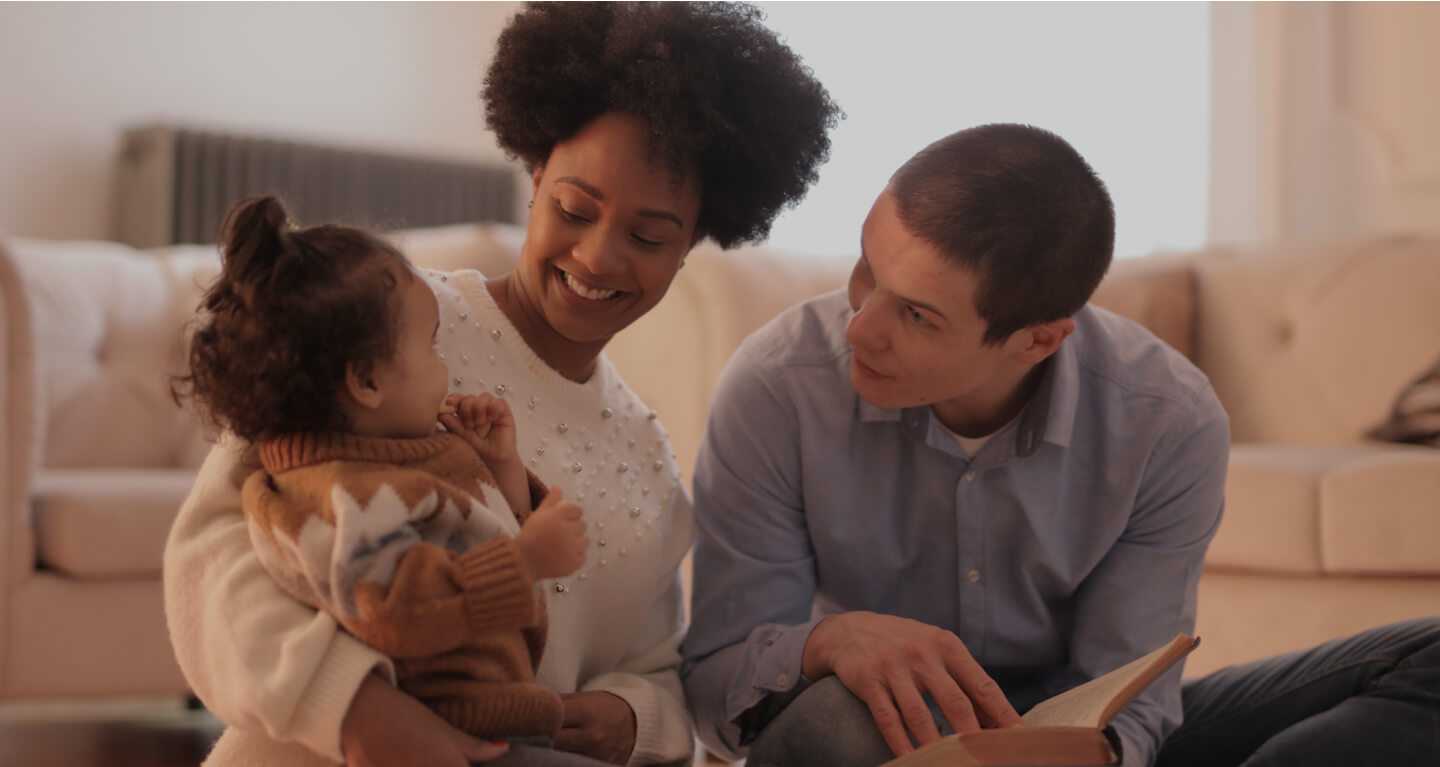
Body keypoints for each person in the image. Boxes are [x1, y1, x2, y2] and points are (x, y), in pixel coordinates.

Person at [162, 4, 840, 767]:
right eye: (574, 209)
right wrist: (355, 710)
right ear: (535, 173)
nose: (597, 256)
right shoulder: (380, 323)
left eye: (649, 237)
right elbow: (213, 551)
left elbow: (656, 667)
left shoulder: (645, 453)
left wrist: (632, 717)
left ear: (691, 243)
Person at [681, 122, 1440, 767]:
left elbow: (1130, 695)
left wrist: (1091, 753)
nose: (860, 328)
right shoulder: (780, 384)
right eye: (866, 271)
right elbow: (715, 691)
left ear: (1038, 340)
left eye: (915, 314)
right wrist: (829, 641)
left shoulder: (1166, 420)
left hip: (1067, 747)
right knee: (839, 720)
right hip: (879, 736)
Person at [171, 195, 594, 765]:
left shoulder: (399, 452)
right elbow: (394, 606)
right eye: (432, 346)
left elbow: (466, 541)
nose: (445, 366)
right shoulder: (335, 493)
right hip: (445, 729)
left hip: (503, 716)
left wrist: (504, 473)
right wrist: (526, 562)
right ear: (367, 380)